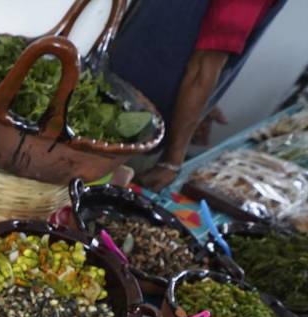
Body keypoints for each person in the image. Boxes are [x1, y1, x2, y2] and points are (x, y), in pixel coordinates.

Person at [110, 0, 289, 191]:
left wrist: (203, 106)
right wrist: (172, 160)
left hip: (114, 89)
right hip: (137, 126)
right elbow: (202, 68)